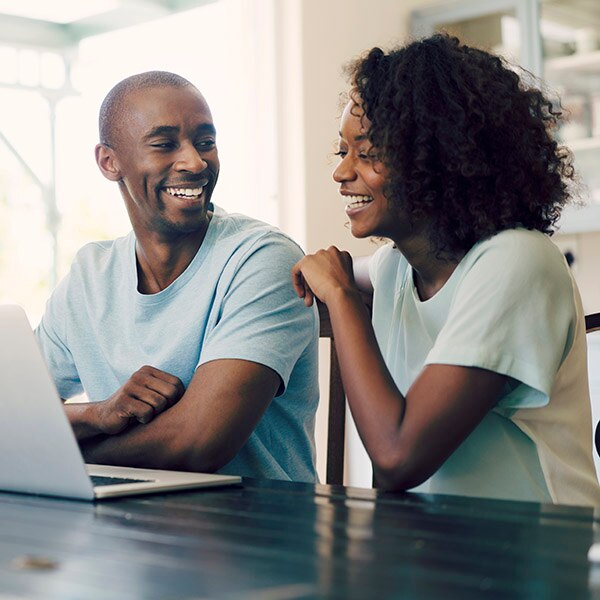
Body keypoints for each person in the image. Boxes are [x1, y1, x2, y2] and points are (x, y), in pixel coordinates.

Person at [292, 34, 600, 505]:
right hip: (437, 554)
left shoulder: (518, 262)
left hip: (540, 560)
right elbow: (306, 278)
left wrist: (340, 296)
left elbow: (398, 456)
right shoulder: (397, 267)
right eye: (343, 152)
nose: (342, 173)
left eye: (368, 153)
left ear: (435, 156)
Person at [35, 71, 319, 482]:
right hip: (127, 528)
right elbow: (16, 413)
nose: (195, 162)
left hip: (257, 530)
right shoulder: (89, 276)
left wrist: (69, 454)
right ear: (109, 162)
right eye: (165, 144)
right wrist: (99, 414)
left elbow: (199, 442)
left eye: (205, 142)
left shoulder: (263, 258)